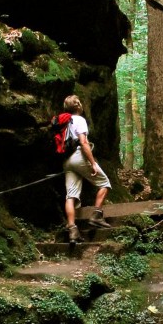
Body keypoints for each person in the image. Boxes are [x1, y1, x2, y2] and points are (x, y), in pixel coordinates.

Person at [60, 95, 112, 244]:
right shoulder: (79, 120)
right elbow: (83, 142)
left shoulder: (63, 123)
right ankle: (96, 216)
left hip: (66, 161)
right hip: (78, 156)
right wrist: (93, 163)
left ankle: (72, 229)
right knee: (104, 183)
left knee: (71, 195)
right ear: (77, 107)